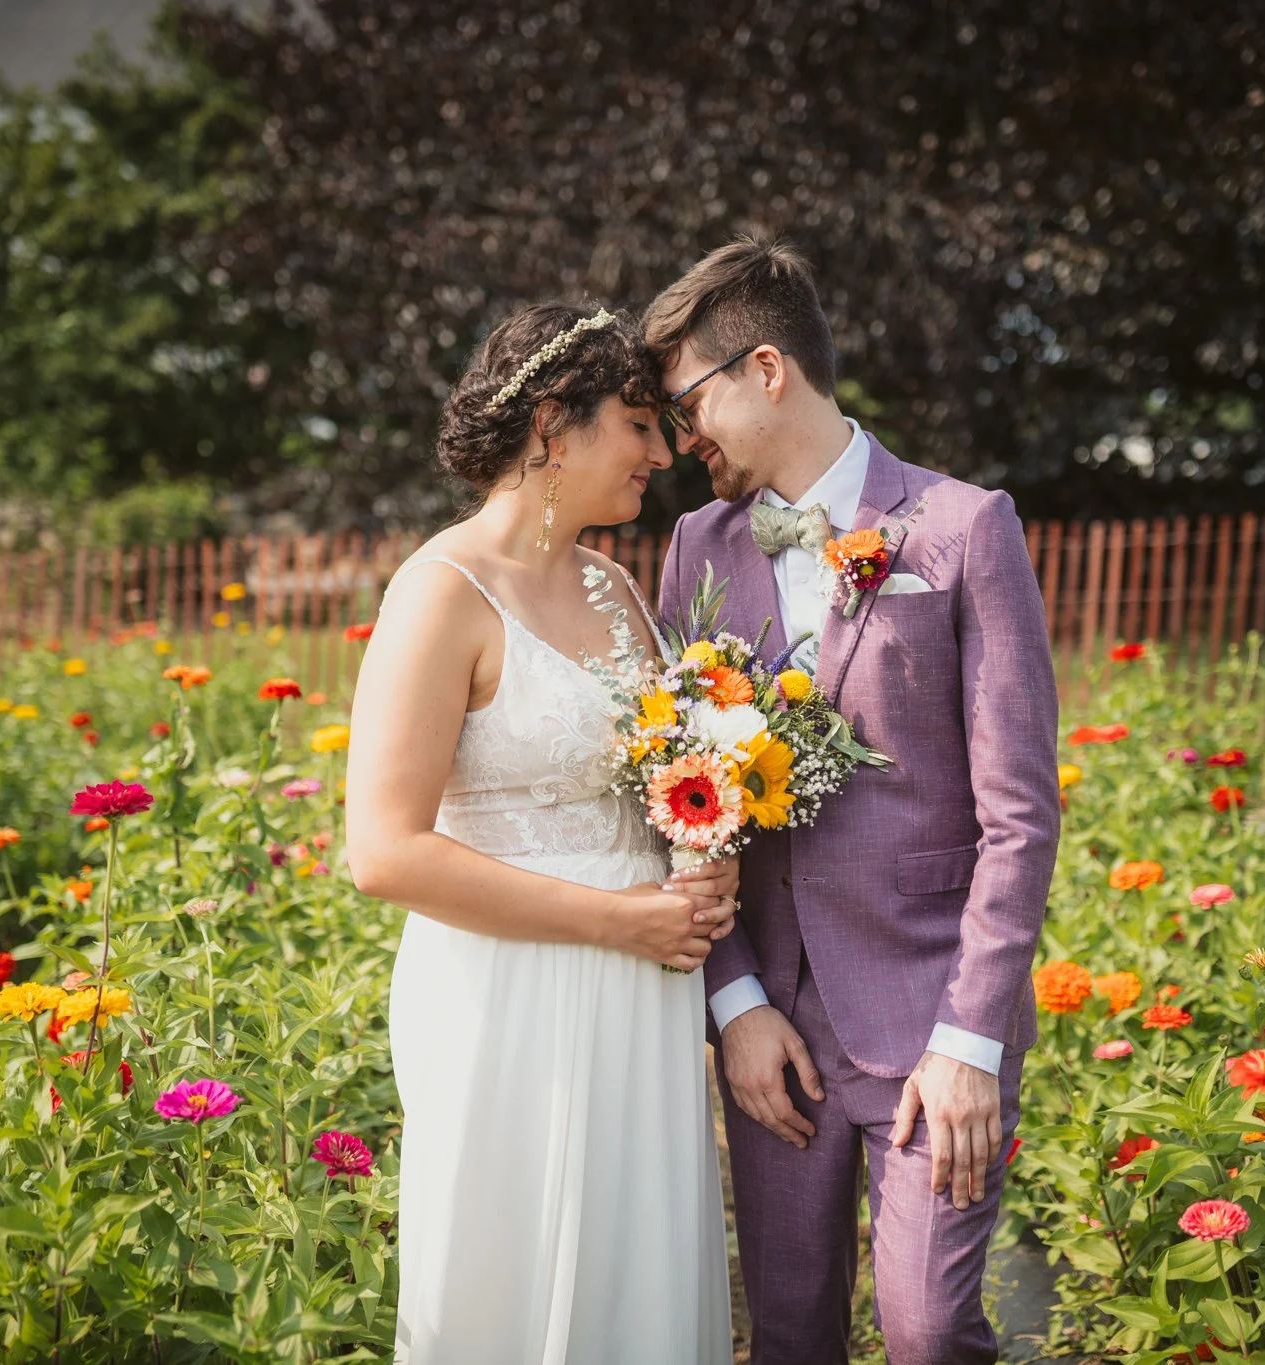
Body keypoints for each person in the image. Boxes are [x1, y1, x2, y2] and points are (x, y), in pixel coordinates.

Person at [649, 238, 1062, 1365]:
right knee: (787, 1336)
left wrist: (971, 1040)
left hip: (932, 1017)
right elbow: (674, 799)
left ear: (765, 369)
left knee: (930, 1335)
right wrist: (733, 1010)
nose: (683, 442)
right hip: (774, 1035)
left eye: (688, 404)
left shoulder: (962, 529)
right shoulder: (694, 546)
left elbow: (1018, 814)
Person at [345, 303, 735, 1365]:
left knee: (633, 1282)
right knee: (511, 1283)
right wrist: (618, 921)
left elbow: (673, 782)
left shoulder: (616, 591)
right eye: (640, 423)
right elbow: (380, 852)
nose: (663, 452)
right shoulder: (439, 595)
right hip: (506, 999)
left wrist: (708, 854)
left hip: (644, 994)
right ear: (553, 424)